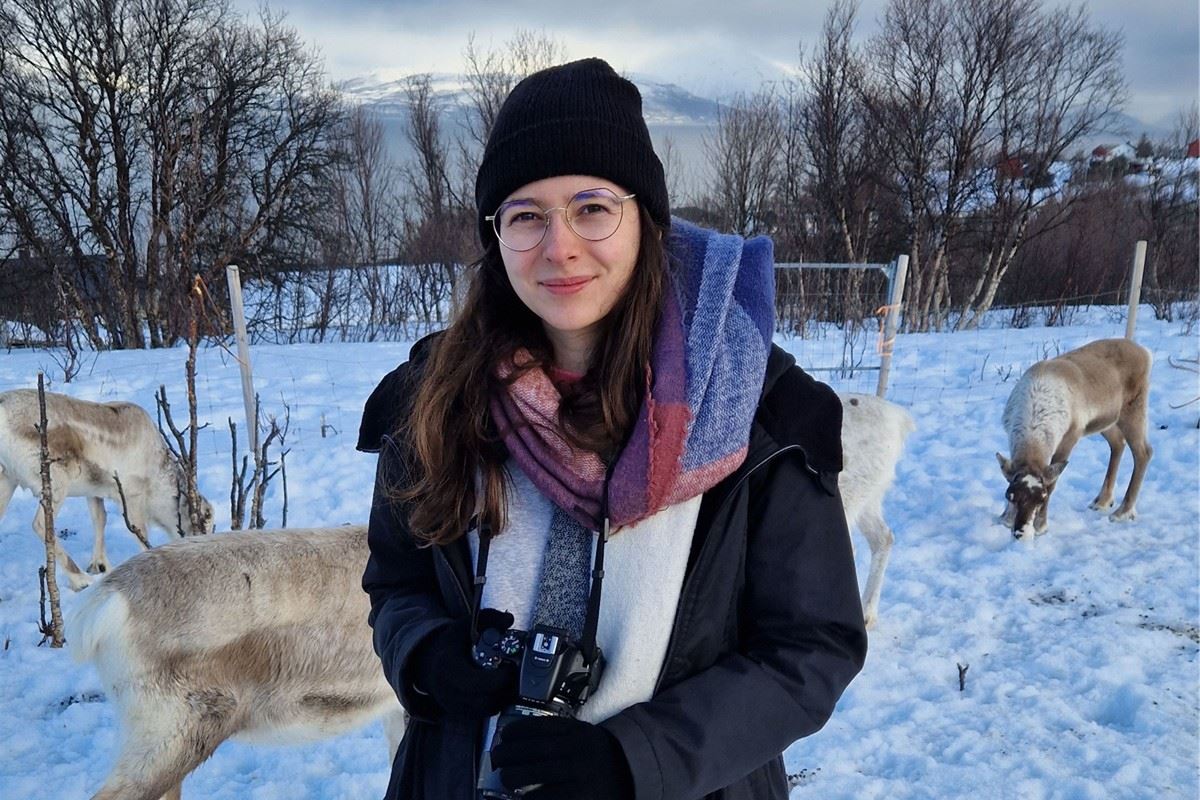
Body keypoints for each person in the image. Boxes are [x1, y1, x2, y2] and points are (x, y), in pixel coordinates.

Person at [358, 57, 867, 800]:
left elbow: (811, 647)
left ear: (646, 219)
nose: (558, 246)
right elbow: (397, 583)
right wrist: (429, 658)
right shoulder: (434, 400)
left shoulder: (758, 412)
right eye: (526, 215)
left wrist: (636, 762)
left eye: (592, 207)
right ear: (495, 235)